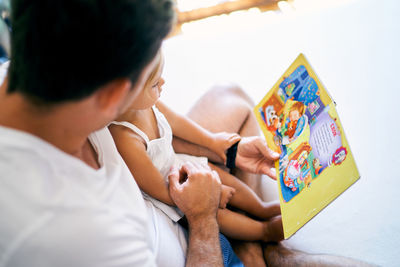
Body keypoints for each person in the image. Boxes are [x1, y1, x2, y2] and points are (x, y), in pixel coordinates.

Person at [0, 0, 375, 266]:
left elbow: (158, 117)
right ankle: (261, 249)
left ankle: (257, 246)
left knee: (228, 95)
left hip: (173, 179)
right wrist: (202, 217)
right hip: (190, 231)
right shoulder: (79, 238)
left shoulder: (41, 68)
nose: (162, 83)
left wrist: (222, 149)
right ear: (114, 97)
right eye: (150, 77)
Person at [109, 51, 284, 243]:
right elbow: (159, 190)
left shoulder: (148, 104)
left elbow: (177, 122)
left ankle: (261, 208)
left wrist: (212, 141)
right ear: (125, 94)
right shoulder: (125, 138)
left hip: (181, 163)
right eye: (154, 84)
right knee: (220, 216)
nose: (163, 82)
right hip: (176, 193)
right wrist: (211, 196)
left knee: (228, 181)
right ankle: (263, 231)